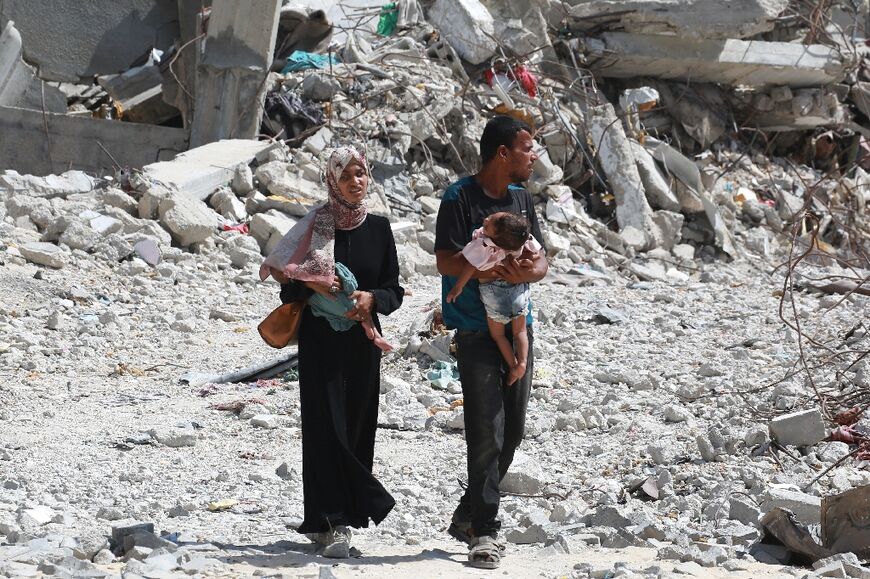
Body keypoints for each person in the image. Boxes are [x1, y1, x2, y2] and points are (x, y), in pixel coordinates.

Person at [260, 146, 403, 558]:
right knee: (324, 426)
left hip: (362, 339)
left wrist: (371, 299)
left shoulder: (379, 229)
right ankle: (330, 520)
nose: (355, 183)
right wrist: (312, 284)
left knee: (357, 425)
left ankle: (350, 513)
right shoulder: (314, 227)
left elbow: (394, 290)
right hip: (320, 338)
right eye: (346, 177)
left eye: (361, 174)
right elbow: (287, 285)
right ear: (331, 182)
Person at [434, 116, 549, 569]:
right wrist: (484, 271)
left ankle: (468, 514)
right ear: (503, 153)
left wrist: (525, 272)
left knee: (513, 430)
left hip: (520, 322)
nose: (534, 156)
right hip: (476, 327)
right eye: (528, 148)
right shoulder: (458, 197)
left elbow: (542, 261)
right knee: (487, 431)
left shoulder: (522, 198)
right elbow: (444, 259)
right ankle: (485, 532)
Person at [445, 211, 542, 385]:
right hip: (517, 289)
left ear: (495, 236)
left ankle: (513, 365)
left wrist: (457, 287)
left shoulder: (484, 244)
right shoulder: (520, 239)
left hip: (494, 294)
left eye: (489, 223)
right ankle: (523, 363)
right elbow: (536, 252)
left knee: (498, 336)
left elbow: (470, 266)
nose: (486, 219)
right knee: (520, 331)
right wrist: (529, 260)